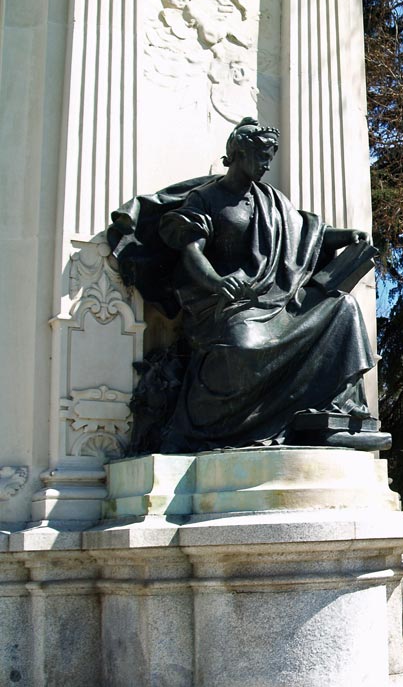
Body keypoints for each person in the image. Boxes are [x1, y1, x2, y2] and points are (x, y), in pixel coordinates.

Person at [113, 117, 376, 452]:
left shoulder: (272, 200)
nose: (267, 165)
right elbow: (191, 251)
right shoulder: (206, 199)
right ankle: (221, 427)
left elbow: (306, 234)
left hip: (276, 298)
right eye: (261, 156)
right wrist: (216, 281)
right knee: (245, 345)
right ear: (237, 153)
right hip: (223, 305)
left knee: (344, 308)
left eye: (270, 157)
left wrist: (344, 236)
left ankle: (337, 411)